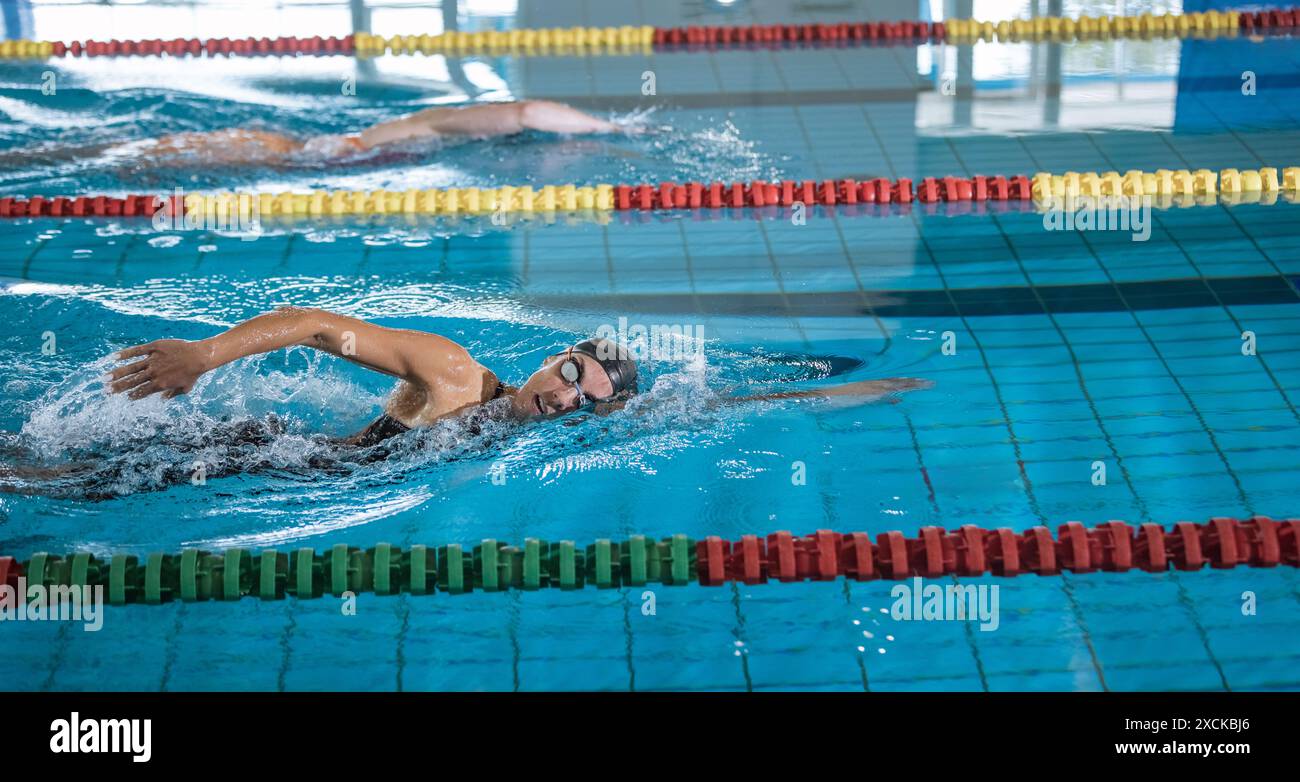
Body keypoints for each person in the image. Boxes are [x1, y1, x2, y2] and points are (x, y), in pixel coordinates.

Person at [106, 307, 931, 446]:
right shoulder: (456, 375)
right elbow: (322, 326)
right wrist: (202, 358)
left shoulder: (556, 428)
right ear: (553, 353)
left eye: (585, 398)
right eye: (571, 370)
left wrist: (855, 390)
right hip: (264, 458)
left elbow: (725, 403)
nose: (565, 393)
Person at [8, 100, 623, 169]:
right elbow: (523, 113)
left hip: (297, 154)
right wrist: (607, 128)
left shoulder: (436, 129)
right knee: (116, 161)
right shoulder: (441, 122)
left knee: (117, 162)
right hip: (294, 155)